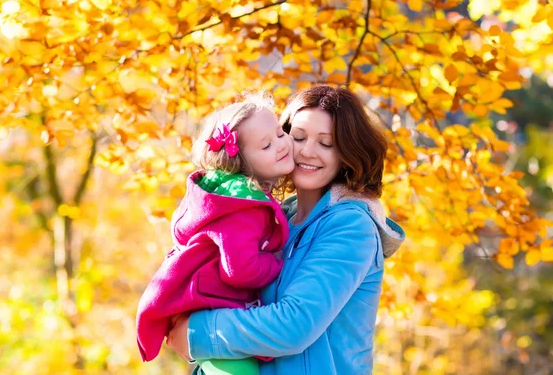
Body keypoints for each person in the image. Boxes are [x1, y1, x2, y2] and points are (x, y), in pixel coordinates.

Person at [166, 85, 406, 375]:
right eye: (299, 137)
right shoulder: (274, 219)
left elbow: (294, 325)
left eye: (326, 144)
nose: (307, 151)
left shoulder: (351, 227)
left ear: (346, 153)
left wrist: (198, 332)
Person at [135, 93, 295, 375]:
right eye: (267, 145)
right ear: (241, 163)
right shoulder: (244, 207)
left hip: (206, 307)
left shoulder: (226, 195)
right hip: (214, 314)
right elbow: (241, 269)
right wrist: (280, 264)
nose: (282, 145)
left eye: (281, 133)